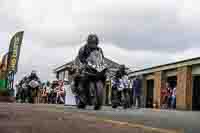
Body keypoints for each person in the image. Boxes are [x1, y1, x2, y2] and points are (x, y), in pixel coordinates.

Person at [73, 34, 105, 98]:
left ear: (97, 43)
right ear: (88, 42)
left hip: (95, 65)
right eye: (91, 43)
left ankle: (100, 89)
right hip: (84, 63)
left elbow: (102, 58)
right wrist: (85, 63)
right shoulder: (83, 49)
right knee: (77, 74)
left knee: (104, 74)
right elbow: (80, 57)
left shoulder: (99, 49)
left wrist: (102, 64)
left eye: (95, 43)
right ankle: (76, 88)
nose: (93, 44)